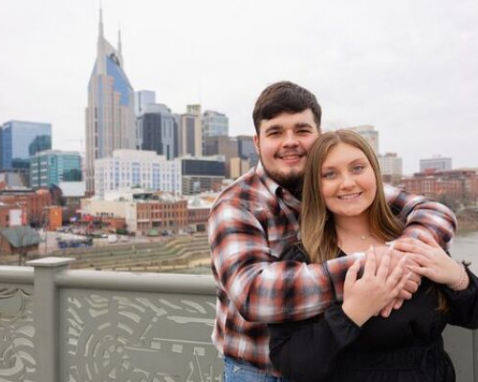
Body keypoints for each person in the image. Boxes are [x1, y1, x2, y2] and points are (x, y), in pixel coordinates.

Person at [208, 81, 457, 380]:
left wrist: (407, 254)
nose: (290, 141)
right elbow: (254, 294)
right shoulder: (236, 204)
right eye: (275, 132)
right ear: (258, 142)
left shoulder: (338, 183)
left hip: (331, 364)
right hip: (258, 370)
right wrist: (379, 271)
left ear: (318, 136)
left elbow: (434, 212)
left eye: (302, 130)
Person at [268, 129, 478, 381]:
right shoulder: (302, 261)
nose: (347, 183)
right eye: (330, 174)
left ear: (375, 174)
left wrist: (457, 277)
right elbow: (292, 364)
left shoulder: (415, 238)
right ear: (316, 185)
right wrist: (353, 312)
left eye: (357, 168)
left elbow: (472, 316)